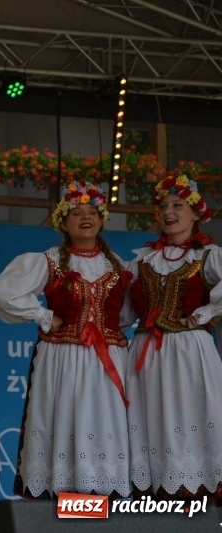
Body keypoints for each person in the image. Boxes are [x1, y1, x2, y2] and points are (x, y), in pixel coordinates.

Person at [0, 180, 133, 499]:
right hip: (63, 360)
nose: (85, 217)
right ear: (63, 222)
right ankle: (70, 514)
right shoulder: (49, 261)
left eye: (92, 212)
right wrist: (42, 315)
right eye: (76, 212)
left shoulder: (118, 265)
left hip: (106, 364)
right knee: (65, 426)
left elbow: (128, 313)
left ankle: (101, 512)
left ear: (102, 219)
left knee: (105, 431)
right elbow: (0, 291)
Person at [127, 174, 222, 501]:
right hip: (145, 353)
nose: (169, 211)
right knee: (147, 416)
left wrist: (205, 313)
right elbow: (121, 312)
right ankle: (152, 492)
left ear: (196, 214)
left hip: (188, 351)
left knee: (187, 415)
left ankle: (191, 493)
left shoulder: (208, 256)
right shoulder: (142, 260)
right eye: (164, 206)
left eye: (178, 205)